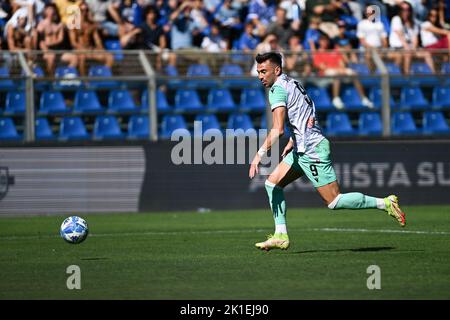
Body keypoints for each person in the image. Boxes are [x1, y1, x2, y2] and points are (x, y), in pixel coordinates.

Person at [248, 52, 406, 251]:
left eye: (264, 71)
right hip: (303, 147)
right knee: (272, 184)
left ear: (277, 70)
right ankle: (281, 235)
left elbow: (277, 129)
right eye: (258, 72)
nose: (260, 76)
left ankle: (385, 203)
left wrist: (258, 155)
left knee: (334, 201)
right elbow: (306, 112)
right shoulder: (293, 82)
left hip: (312, 150)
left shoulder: (277, 90)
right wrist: (293, 140)